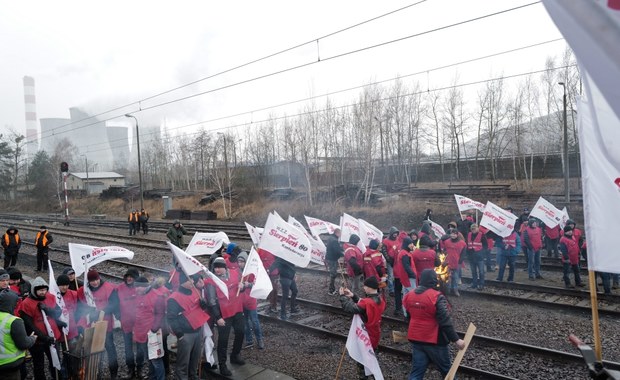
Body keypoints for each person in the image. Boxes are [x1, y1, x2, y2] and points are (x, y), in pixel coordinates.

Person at [403, 269, 465, 380]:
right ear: (433, 281)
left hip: (416, 338)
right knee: (447, 371)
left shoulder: (409, 295)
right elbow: (445, 321)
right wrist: (456, 339)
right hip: (434, 340)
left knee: (417, 372)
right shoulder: (436, 297)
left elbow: (408, 316)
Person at [339, 276, 386, 380]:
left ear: (369, 287)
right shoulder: (380, 299)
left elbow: (351, 308)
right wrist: (353, 296)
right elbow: (364, 305)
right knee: (372, 359)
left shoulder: (366, 302)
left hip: (365, 336)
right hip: (375, 334)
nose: (363, 287)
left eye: (365, 286)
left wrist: (342, 296)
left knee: (362, 363)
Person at [205, 257, 245, 377]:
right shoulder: (211, 281)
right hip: (224, 313)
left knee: (241, 332)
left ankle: (235, 355)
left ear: (225, 267)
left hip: (237, 309)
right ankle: (222, 364)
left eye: (219, 267)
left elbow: (241, 287)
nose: (217, 270)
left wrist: (243, 286)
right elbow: (212, 301)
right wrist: (218, 317)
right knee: (223, 340)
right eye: (215, 267)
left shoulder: (234, 273)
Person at [19, 277, 64, 380]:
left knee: (55, 362)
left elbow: (58, 313)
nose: (43, 292)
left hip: (52, 337)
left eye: (44, 290)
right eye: (40, 290)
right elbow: (29, 326)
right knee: (39, 365)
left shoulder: (51, 297)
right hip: (37, 341)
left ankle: (57, 377)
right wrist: (44, 337)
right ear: (34, 290)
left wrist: (47, 309)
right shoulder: (26, 303)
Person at [77, 269, 118, 379]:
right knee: (94, 350)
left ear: (99, 278)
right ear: (88, 282)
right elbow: (80, 306)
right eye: (92, 281)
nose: (95, 282)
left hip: (106, 324)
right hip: (91, 325)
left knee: (110, 348)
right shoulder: (84, 291)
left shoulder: (108, 288)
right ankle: (95, 372)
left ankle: (114, 372)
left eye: (96, 279)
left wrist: (100, 311)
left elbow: (114, 304)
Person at [167, 271, 210, 380]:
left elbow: (201, 308)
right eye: (189, 280)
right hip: (186, 333)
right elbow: (171, 318)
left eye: (192, 279)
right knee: (183, 361)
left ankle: (193, 376)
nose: (192, 281)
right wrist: (179, 335)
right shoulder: (174, 298)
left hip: (197, 329)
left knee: (195, 358)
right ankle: (182, 377)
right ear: (182, 281)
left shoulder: (195, 291)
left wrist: (203, 305)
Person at [133, 276, 166, 380]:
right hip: (141, 332)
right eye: (136, 286)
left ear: (145, 286)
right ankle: (152, 376)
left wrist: (153, 329)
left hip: (152, 333)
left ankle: (160, 378)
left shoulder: (157, 296)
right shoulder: (137, 295)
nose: (137, 289)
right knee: (149, 357)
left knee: (155, 358)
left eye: (139, 287)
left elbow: (160, 314)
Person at [110, 269, 141, 380]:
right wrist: (119, 316)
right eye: (127, 276)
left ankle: (140, 368)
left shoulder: (140, 287)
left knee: (141, 348)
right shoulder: (119, 289)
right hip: (126, 322)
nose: (129, 278)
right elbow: (113, 303)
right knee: (128, 349)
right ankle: (131, 369)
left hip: (139, 323)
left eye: (132, 277)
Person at [0, 290, 37, 380]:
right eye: (16, 302)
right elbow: (23, 344)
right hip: (9, 366)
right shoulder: (14, 321)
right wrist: (32, 338)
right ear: (10, 303)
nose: (17, 304)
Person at [237, 252, 264, 350]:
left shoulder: (251, 273)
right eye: (239, 261)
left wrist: (249, 285)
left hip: (251, 301)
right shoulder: (238, 273)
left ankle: (259, 339)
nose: (240, 264)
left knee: (255, 322)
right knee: (245, 323)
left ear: (246, 262)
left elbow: (257, 284)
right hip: (241, 302)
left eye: (242, 261)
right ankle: (249, 340)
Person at [268, 257, 298, 321]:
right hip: (284, 278)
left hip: (291, 277)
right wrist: (269, 271)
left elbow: (293, 266)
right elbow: (274, 265)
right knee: (285, 296)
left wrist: (294, 274)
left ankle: (292, 309)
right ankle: (282, 314)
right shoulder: (281, 258)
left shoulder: (290, 255)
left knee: (295, 291)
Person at [442, 229, 467, 296]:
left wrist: (460, 262)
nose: (453, 235)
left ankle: (455, 290)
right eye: (452, 234)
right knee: (447, 277)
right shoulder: (446, 242)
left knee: (455, 277)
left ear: (457, 235)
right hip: (448, 262)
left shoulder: (462, 243)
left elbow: (463, 254)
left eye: (454, 234)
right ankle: (448, 290)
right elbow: (444, 251)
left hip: (457, 262)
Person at [56, 274, 79, 345]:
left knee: (71, 350)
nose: (65, 287)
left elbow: (78, 309)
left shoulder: (73, 294)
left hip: (71, 327)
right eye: (62, 285)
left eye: (67, 285)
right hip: (58, 328)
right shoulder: (53, 295)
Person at [466, 224, 488, 290]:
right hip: (471, 257)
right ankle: (474, 284)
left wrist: (482, 254)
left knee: (481, 272)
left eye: (474, 228)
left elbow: (485, 246)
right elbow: (467, 244)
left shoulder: (482, 235)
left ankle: (481, 284)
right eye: (472, 229)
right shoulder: (469, 234)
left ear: (477, 228)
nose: (473, 230)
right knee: (473, 272)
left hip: (479, 257)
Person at [382, 227, 401, 297]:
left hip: (398, 260)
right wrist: (389, 260)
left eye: (396, 233)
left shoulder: (398, 240)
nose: (395, 235)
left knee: (397, 275)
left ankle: (397, 288)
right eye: (394, 233)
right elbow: (384, 251)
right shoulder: (385, 241)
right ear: (391, 233)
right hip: (390, 260)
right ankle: (391, 290)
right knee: (391, 276)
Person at [258, 248, 279, 314]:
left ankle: (273, 305)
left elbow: (278, 261)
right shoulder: (260, 249)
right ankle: (272, 305)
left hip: (272, 272)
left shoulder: (273, 249)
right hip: (266, 272)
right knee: (271, 289)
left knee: (274, 289)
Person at [326, 228, 344, 296]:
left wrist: (341, 249)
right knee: (333, 274)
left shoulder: (331, 238)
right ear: (337, 233)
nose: (340, 235)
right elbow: (337, 250)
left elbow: (337, 248)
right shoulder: (334, 240)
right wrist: (343, 254)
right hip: (332, 259)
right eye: (340, 233)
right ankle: (331, 290)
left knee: (333, 274)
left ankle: (332, 288)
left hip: (330, 258)